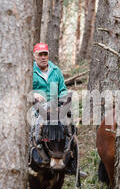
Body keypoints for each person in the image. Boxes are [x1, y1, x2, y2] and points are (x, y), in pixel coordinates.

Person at [31, 43, 87, 177]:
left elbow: (62, 90)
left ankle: (73, 165)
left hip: (56, 105)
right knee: (30, 127)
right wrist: (33, 94)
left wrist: (61, 101)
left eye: (45, 54)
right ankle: (27, 160)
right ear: (35, 56)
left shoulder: (56, 71)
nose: (43, 57)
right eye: (40, 55)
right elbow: (24, 88)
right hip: (36, 106)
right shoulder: (29, 71)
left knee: (70, 126)